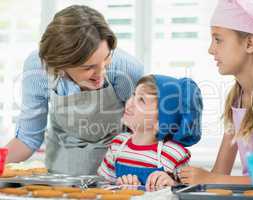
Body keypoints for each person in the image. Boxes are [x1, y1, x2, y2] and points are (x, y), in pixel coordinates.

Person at [5, 5, 143, 175]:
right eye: (88, 67)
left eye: (107, 60)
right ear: (60, 66)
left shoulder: (126, 68)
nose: (101, 73)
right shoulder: (37, 69)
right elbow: (27, 139)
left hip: (117, 173)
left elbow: (146, 132)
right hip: (61, 173)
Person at [179, 0, 253, 184]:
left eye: (218, 39)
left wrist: (210, 178)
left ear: (250, 43)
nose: (211, 49)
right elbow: (220, 171)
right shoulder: (237, 97)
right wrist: (178, 179)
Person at [98, 75, 203, 186]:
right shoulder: (118, 144)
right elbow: (103, 185)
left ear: (161, 122)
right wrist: (119, 184)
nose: (129, 102)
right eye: (134, 95)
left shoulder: (174, 153)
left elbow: (185, 191)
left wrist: (172, 184)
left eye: (141, 100)